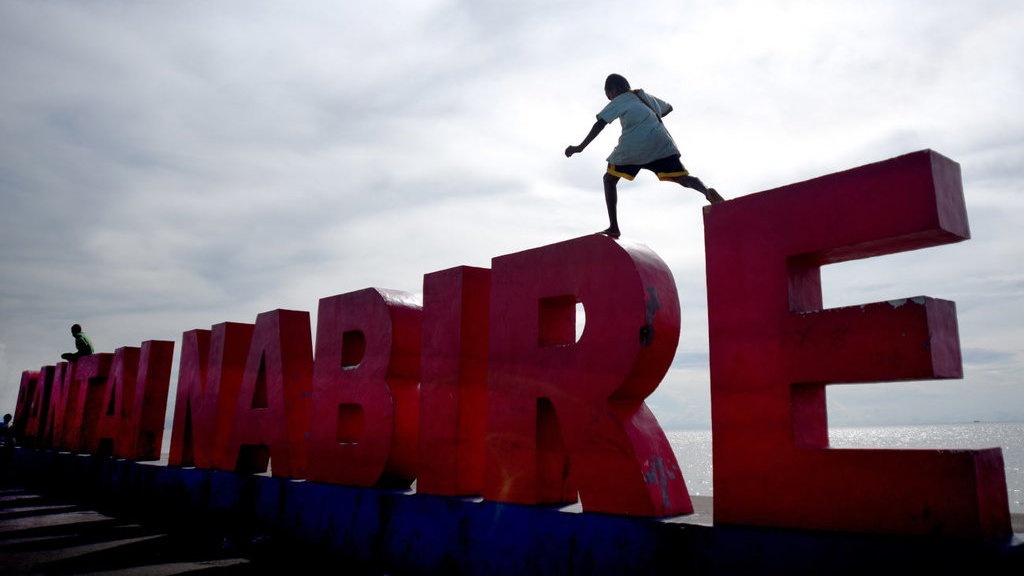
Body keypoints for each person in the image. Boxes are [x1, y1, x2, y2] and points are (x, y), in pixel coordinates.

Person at [565, 73, 724, 238]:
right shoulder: (642, 96)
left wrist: (580, 147)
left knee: (609, 179)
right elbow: (668, 108)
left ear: (614, 90)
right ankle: (707, 191)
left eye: (609, 95)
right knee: (683, 178)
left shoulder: (620, 99)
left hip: (634, 145)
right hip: (662, 142)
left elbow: (600, 123)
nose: (610, 99)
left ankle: (614, 227)